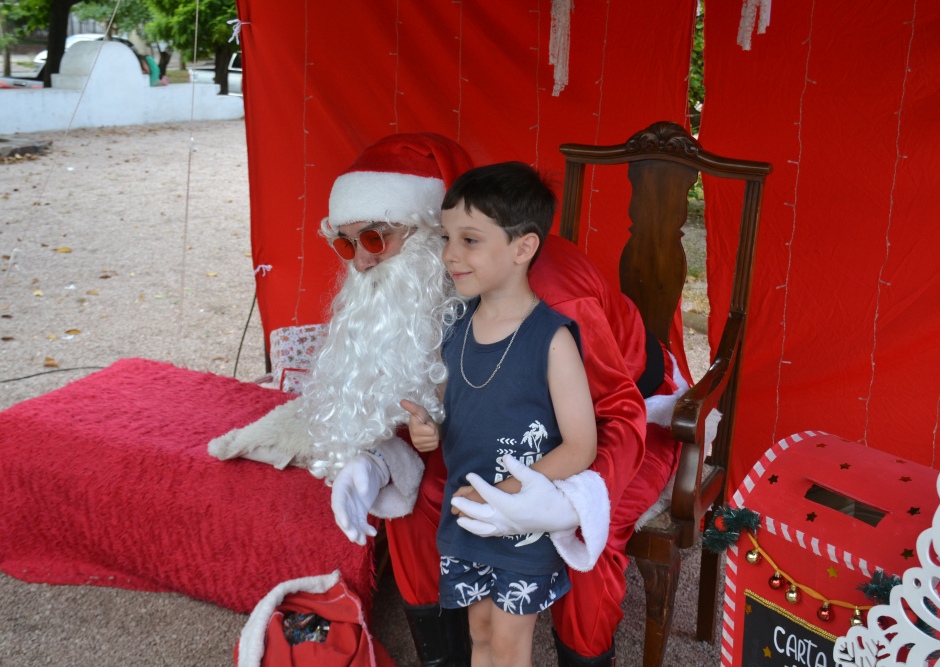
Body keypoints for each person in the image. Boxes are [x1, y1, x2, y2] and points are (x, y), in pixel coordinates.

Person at [210, 132, 690, 666]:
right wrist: (377, 461)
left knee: (588, 540)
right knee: (414, 506)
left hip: (621, 408)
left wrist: (562, 498)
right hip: (500, 418)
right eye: (345, 244)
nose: (360, 265)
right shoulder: (445, 286)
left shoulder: (553, 303)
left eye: (374, 239)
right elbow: (427, 398)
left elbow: (615, 416)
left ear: (424, 230)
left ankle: (585, 655)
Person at [402, 162, 601, 667]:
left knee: (511, 644)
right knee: (481, 631)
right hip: (467, 513)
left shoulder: (551, 339)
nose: (450, 254)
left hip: (521, 519)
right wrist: (426, 427)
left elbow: (581, 445)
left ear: (522, 248)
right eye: (448, 237)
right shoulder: (455, 328)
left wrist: (510, 494)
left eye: (469, 240)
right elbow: (447, 408)